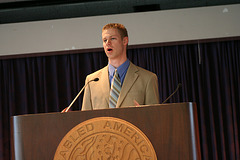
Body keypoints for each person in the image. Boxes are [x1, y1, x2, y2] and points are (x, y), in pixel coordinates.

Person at [82, 23, 159, 110]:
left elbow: (154, 119)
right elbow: (85, 120)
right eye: (105, 40)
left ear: (125, 41)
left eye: (113, 38)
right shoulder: (91, 81)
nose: (108, 43)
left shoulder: (147, 79)